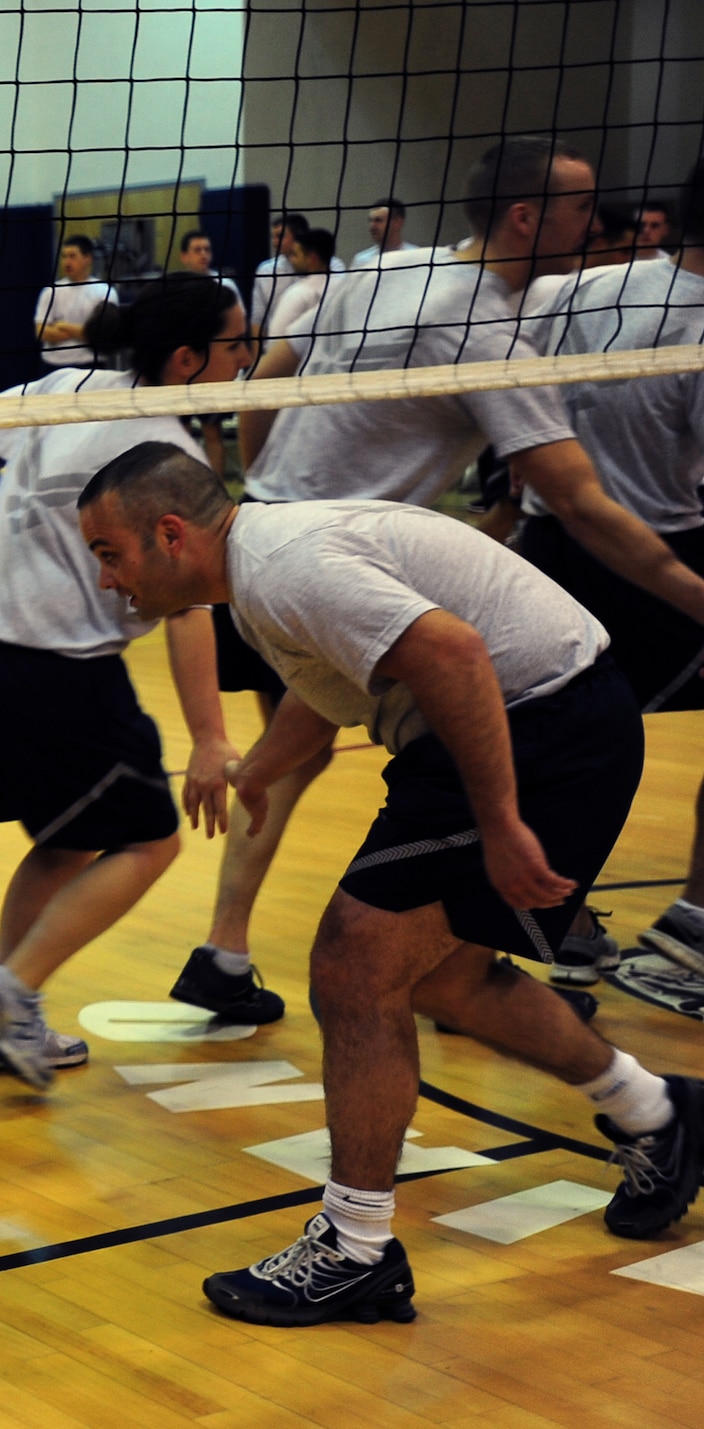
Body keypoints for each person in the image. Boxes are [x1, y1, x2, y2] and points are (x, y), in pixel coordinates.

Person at [77, 445, 703, 1327]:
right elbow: (331, 685)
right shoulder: (257, 577)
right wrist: (256, 768)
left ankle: (354, 1246)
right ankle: (656, 1111)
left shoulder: (284, 566)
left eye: (109, 552)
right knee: (443, 977)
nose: (106, 578)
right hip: (526, 721)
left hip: (542, 725)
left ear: (170, 534)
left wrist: (500, 822)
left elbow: (453, 653)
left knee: (353, 964)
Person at [196, 135, 704, 1017]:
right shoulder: (481, 332)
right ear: (525, 216)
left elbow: (270, 376)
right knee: (464, 745)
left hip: (263, 543)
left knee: (294, 754)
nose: (596, 221)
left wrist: (273, 492)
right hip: (339, 572)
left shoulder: (385, 268)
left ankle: (230, 954)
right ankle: (458, 959)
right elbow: (581, 503)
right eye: (582, 206)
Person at [0, 274, 250, 1084]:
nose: (248, 360)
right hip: (54, 676)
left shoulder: (65, 382)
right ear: (186, 358)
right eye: (235, 346)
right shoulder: (171, 462)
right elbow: (187, 610)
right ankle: (8, 989)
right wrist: (212, 737)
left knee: (68, 839)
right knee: (151, 838)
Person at [522, 159, 704, 981]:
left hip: (549, 549)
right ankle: (690, 926)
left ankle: (563, 924)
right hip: (650, 555)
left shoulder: (590, 287)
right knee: (580, 746)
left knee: (561, 741)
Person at [172, 230, 240, 473]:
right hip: (184, 372)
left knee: (213, 433)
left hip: (213, 371)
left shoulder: (225, 286)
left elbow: (237, 329)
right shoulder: (175, 288)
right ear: (184, 256)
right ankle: (185, 486)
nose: (203, 255)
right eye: (197, 250)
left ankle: (218, 491)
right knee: (180, 433)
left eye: (207, 249)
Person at [32, 234, 115, 372]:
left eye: (72, 256)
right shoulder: (50, 292)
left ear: (87, 258)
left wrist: (63, 326)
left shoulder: (104, 292)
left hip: (91, 366)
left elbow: (103, 335)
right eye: (64, 256)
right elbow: (42, 333)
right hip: (54, 367)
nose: (67, 262)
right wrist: (84, 332)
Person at [259, 227, 336, 344]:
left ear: (312, 258)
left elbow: (274, 341)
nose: (291, 260)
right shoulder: (346, 285)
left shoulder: (298, 294)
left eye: (295, 254)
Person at [247, 214, 308, 342]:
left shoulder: (329, 267)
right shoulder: (266, 271)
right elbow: (258, 320)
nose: (274, 242)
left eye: (280, 236)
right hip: (275, 348)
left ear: (299, 236)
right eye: (273, 237)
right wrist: (257, 360)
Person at [349, 198, 418, 268]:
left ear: (397, 222)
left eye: (378, 220)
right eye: (370, 220)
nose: (372, 226)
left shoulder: (416, 257)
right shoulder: (361, 261)